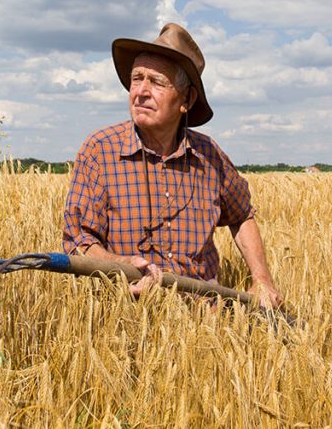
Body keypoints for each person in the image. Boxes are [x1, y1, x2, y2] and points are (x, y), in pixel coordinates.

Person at [62, 23, 284, 308]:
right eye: (136, 79)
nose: (140, 91)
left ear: (186, 100)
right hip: (124, 320)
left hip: (204, 327)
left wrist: (262, 279)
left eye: (156, 82)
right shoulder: (100, 150)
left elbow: (242, 216)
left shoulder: (209, 155)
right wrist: (119, 265)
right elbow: (78, 239)